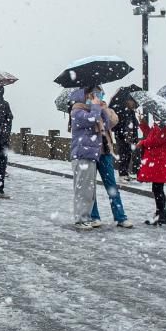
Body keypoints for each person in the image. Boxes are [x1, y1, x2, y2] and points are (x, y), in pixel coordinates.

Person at [85, 87, 133, 228]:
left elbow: (113, 121)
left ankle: (120, 217)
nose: (99, 95)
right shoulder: (83, 108)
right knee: (90, 187)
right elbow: (86, 124)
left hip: (105, 152)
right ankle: (94, 216)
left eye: (100, 93)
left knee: (111, 186)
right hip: (90, 153)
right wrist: (93, 108)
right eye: (96, 93)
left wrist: (103, 109)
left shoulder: (104, 107)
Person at [69, 87, 105, 230]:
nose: (96, 97)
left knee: (89, 190)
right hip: (82, 154)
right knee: (82, 189)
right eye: (93, 94)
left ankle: (86, 216)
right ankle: (81, 218)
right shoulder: (77, 112)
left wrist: (103, 108)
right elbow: (91, 120)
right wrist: (96, 106)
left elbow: (107, 124)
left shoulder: (92, 111)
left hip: (91, 155)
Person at [136, 118, 166, 226]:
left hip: (161, 161)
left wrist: (142, 142)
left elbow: (155, 141)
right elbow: (151, 136)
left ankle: (162, 215)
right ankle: (160, 214)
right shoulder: (160, 126)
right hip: (158, 161)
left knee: (158, 189)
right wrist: (143, 125)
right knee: (157, 188)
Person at [110, 95, 139, 182]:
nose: (134, 104)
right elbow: (117, 124)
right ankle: (122, 174)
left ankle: (125, 173)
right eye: (133, 102)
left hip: (129, 137)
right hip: (121, 136)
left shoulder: (131, 112)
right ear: (128, 101)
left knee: (128, 154)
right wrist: (123, 132)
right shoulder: (121, 110)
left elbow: (134, 124)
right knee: (123, 154)